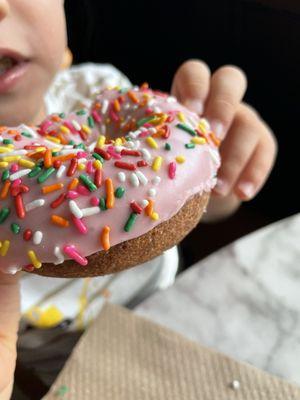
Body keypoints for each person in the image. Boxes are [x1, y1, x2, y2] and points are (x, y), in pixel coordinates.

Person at [0, 0, 277, 398]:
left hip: (182, 315)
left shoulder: (100, 90)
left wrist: (223, 164)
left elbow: (196, 210)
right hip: (59, 376)